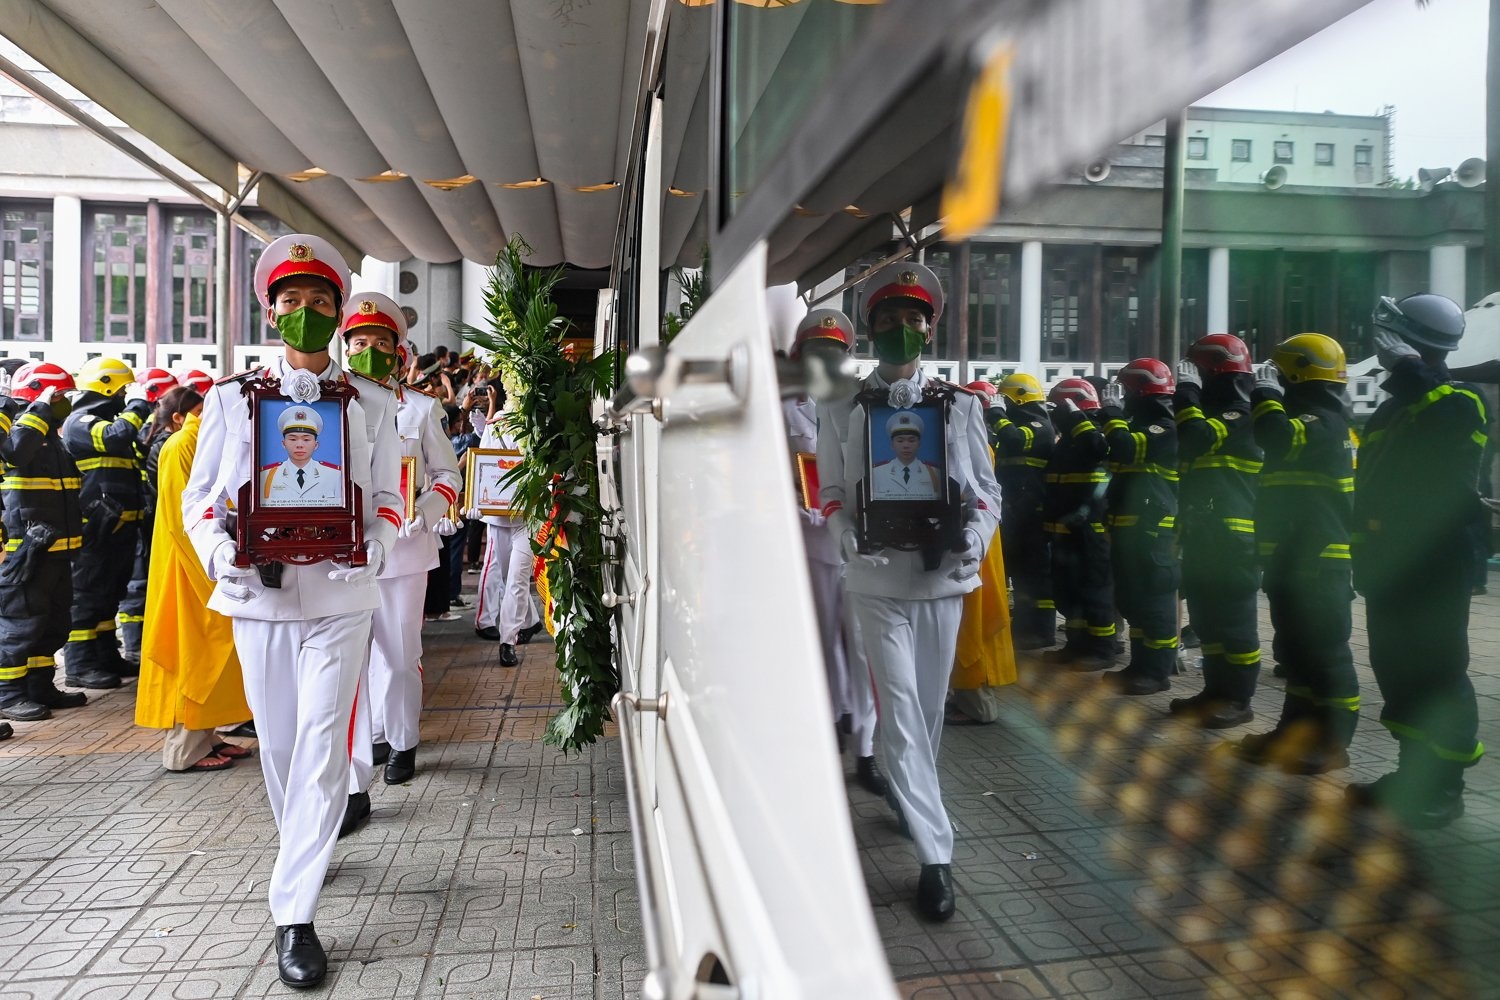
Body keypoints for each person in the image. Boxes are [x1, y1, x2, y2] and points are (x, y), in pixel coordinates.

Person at [182, 233, 403, 988]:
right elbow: (201, 498)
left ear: (339, 312)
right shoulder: (230, 397)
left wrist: (376, 545)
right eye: (292, 300)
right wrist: (221, 553)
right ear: (272, 311)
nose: (305, 311)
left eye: (319, 301)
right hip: (260, 594)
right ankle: (302, 850)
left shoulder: (371, 402)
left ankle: (295, 914)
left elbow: (388, 494)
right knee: (278, 745)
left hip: (341, 594)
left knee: (320, 744)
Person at [817, 262, 1001, 923]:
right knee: (898, 708)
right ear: (871, 329)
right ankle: (935, 856)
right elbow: (830, 490)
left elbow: (985, 490)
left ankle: (908, 789)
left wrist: (975, 535)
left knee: (925, 712)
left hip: (941, 578)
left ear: (930, 328)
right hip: (876, 580)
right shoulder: (841, 406)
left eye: (914, 319)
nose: (903, 328)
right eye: (890, 319)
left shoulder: (961, 405)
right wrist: (843, 533)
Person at [1347, 294, 1487, 828]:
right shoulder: (1394, 407)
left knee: (1437, 671)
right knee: (1398, 668)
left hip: (1437, 564)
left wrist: (1410, 370)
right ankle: (1412, 775)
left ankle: (1444, 789)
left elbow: (1445, 432)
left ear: (1411, 342)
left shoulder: (1460, 399)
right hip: (1391, 562)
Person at [340, 291, 462, 803]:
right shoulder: (329, 402)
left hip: (404, 551)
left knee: (399, 652)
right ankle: (371, 737)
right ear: (346, 348)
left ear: (399, 352)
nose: (369, 351)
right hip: (344, 554)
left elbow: (448, 474)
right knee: (351, 656)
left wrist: (425, 511)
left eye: (380, 343)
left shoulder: (422, 408)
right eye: (359, 342)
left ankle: (403, 741)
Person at [1229, 334, 1358, 774]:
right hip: (1292, 556)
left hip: (1319, 561)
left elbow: (1277, 436)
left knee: (1326, 654)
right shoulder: (1312, 417)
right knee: (1299, 654)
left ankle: (1333, 743)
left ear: (1299, 374)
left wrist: (1264, 395)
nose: (1275, 380)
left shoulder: (1325, 420)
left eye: (1280, 374)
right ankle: (1294, 732)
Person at [784, 308, 884, 796]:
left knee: (863, 648)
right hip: (811, 542)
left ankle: (865, 750)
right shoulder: (782, 409)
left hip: (860, 544)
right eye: (815, 352)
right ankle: (828, 730)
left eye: (834, 352)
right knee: (822, 642)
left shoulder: (863, 407)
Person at [136, 386, 253, 772]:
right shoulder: (181, 445)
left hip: (205, 563)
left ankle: (207, 736)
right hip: (190, 568)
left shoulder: (201, 440)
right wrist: (213, 569)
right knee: (195, 658)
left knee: (214, 656)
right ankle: (183, 750)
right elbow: (182, 518)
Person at [1169, 334, 1264, 729]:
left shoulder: (1240, 413)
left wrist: (1186, 392)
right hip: (1204, 536)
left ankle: (1238, 700)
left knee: (1234, 624)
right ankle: (1215, 692)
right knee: (1207, 621)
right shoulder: (1209, 414)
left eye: (1198, 370)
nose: (1192, 377)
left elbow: (1197, 437)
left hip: (1233, 541)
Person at [0, 362, 90, 723]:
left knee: (52, 623)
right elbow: (15, 453)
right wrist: (38, 409)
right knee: (19, 624)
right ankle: (8, 693)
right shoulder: (20, 429)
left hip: (56, 549)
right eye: (61, 396)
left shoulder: (51, 440)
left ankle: (40, 685)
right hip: (27, 552)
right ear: (40, 393)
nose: (66, 403)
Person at [61, 356, 153, 688]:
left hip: (118, 528)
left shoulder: (107, 423)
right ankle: (80, 664)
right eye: (123, 390)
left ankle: (104, 655)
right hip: (95, 529)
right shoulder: (80, 422)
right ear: (106, 387)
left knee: (109, 594)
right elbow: (113, 437)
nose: (125, 397)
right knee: (86, 595)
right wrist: (139, 405)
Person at [1098, 359, 1180, 694]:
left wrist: (1112, 415)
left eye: (1125, 390)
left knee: (1154, 602)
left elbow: (1126, 448)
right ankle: (1140, 666)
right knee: (1134, 601)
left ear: (1139, 391)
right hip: (1131, 531)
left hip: (1153, 532)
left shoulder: (1165, 426)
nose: (1122, 397)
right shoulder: (1140, 424)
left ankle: (1156, 672)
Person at [1041, 378, 1116, 670]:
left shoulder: (1095, 431)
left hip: (1091, 531)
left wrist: (1077, 418)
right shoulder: (1069, 440)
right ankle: (1076, 644)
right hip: (1066, 530)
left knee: (1094, 591)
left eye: (1058, 407)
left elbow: (1098, 449)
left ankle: (1102, 648)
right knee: (1069, 591)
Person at [471, 385, 543, 663]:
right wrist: (476, 499)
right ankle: (530, 621)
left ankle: (507, 641)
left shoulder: (538, 422)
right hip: (499, 516)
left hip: (527, 516)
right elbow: (483, 463)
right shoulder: (495, 424)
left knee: (517, 579)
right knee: (506, 577)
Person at [118, 367, 180, 667]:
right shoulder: (149, 433)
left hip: (146, 511)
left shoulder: (150, 431)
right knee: (139, 582)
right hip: (146, 514)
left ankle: (140, 646)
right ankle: (134, 646)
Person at [993, 372, 1056, 649]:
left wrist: (996, 414)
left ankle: (1041, 632)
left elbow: (1015, 439)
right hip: (1017, 514)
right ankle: (1024, 628)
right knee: (1020, 574)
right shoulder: (1022, 424)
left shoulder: (1039, 426)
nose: (1003, 405)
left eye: (1005, 400)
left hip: (1033, 516)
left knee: (1035, 575)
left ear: (1018, 399)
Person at [260, 406, 343, 506]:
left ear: (316, 444)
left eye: (306, 439)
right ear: (283, 443)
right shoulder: (266, 476)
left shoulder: (335, 475)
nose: (299, 445)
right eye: (293, 439)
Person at [870, 411, 943, 498]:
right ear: (892, 445)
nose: (906, 445)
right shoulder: (876, 474)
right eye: (900, 441)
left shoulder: (935, 473)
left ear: (919, 444)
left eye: (911, 440)